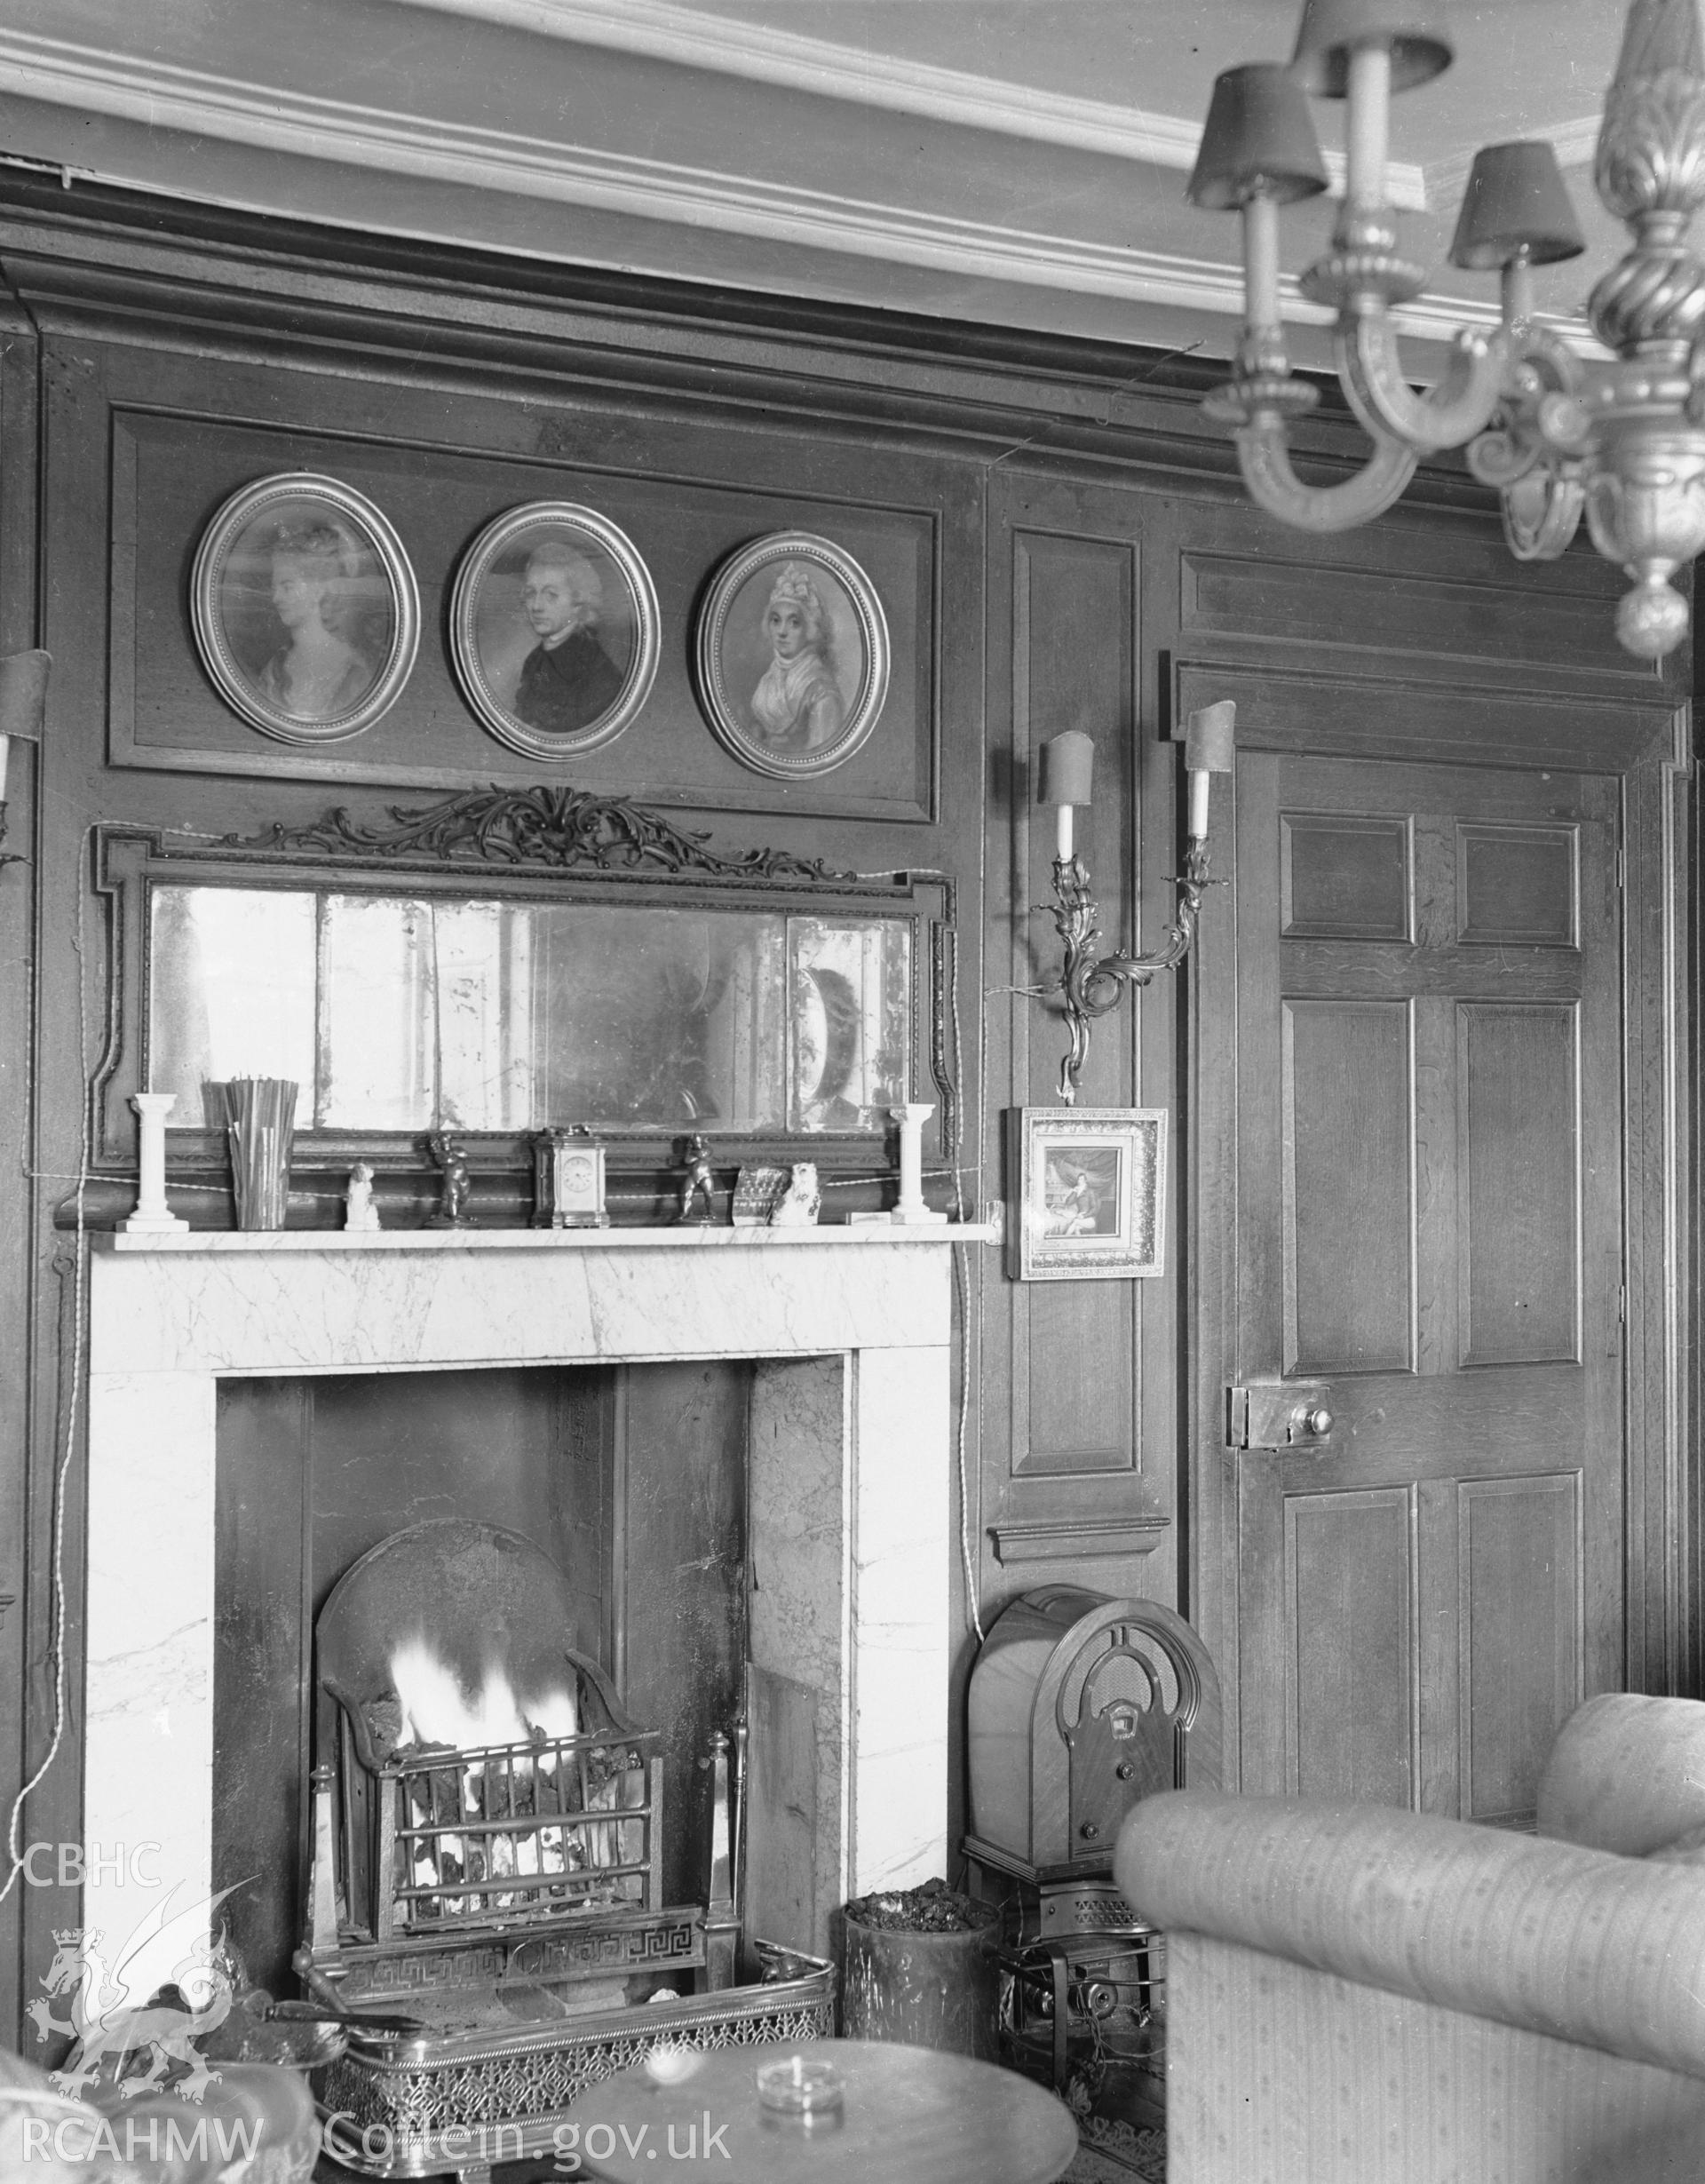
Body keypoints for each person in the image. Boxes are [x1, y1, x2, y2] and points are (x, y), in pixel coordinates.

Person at [258, 520, 373, 721]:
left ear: (318, 590)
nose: (275, 598)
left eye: (287, 587)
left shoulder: (353, 671)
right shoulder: (275, 667)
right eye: (274, 588)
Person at [512, 539, 625, 735]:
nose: (536, 606)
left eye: (551, 595)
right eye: (531, 593)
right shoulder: (534, 660)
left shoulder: (600, 675)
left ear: (578, 602)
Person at [748, 562, 845, 752]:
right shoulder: (768, 679)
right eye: (776, 621)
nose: (782, 632)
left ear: (810, 629)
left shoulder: (821, 691)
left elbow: (818, 754)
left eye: (794, 623)